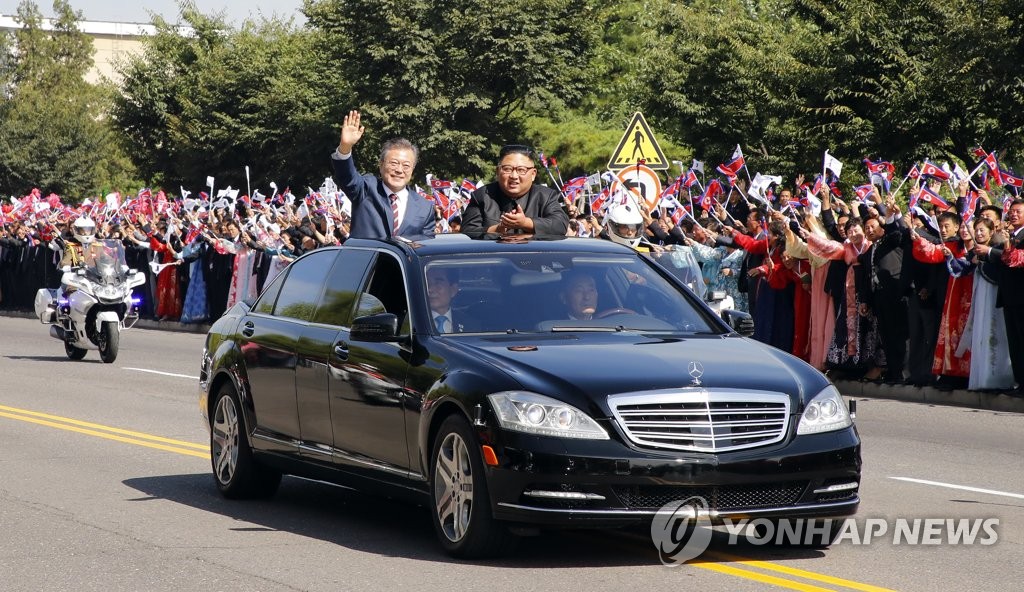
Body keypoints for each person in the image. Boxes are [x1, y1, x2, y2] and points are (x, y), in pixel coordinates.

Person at [331, 110, 436, 239]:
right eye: (394, 163)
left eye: (406, 165)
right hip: (366, 259)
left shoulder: (424, 207)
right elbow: (347, 176)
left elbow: (427, 247)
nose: (399, 170)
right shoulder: (366, 189)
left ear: (412, 170)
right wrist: (345, 147)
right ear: (381, 165)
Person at [460, 144, 569, 236]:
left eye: (521, 170)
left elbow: (560, 226)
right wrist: (498, 229)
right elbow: (467, 232)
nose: (514, 176)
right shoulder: (482, 196)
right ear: (498, 171)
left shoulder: (545, 196)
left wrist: (525, 223)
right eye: (507, 169)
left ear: (533, 174)